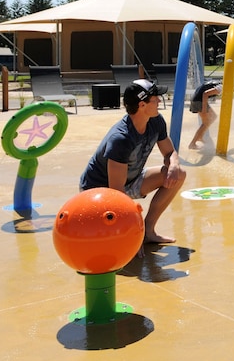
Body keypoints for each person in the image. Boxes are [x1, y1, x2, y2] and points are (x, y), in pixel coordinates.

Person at [79, 79, 185, 244]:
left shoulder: (155, 121)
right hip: (99, 191)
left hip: (129, 180)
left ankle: (148, 231)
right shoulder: (121, 139)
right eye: (155, 98)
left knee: (179, 174)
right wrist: (132, 235)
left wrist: (174, 165)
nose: (159, 101)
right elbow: (117, 194)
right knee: (107, 242)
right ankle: (134, 235)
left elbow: (170, 152)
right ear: (142, 105)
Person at [188, 80, 221, 150]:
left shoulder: (219, 83)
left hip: (196, 99)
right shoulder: (221, 88)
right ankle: (192, 143)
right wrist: (204, 109)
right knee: (206, 123)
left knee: (212, 118)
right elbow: (205, 94)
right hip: (198, 101)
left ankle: (200, 137)